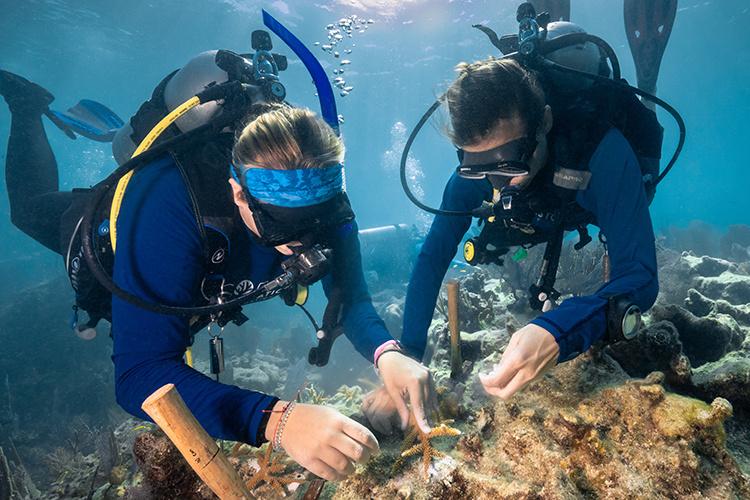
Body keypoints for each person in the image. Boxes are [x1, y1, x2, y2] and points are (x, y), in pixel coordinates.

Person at [0, 39, 434, 481]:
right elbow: (138, 373)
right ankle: (27, 106)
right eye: (284, 229)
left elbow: (352, 299)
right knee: (29, 209)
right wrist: (275, 419)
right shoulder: (168, 202)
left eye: (319, 225)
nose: (305, 245)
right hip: (122, 242)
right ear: (237, 193)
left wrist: (389, 354)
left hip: (211, 268)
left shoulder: (322, 195)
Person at [363, 14, 679, 434]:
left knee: (625, 241)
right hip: (543, 213)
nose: (497, 182)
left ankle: (647, 94)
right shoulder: (469, 176)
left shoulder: (603, 151)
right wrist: (409, 353)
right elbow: (433, 256)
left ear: (544, 122)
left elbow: (639, 277)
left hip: (589, 194)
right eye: (477, 168)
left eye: (510, 162)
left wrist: (557, 329)